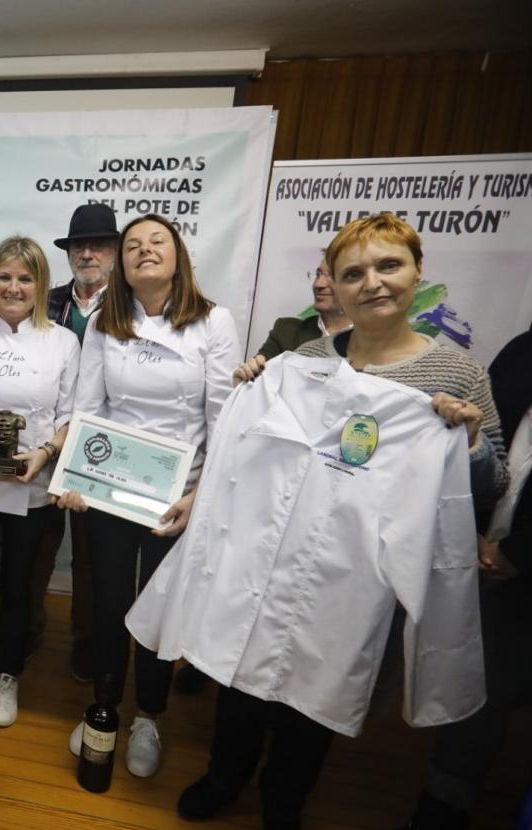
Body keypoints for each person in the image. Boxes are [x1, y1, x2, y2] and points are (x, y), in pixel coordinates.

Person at [180, 212, 508, 827]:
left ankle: (285, 801)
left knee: (318, 692)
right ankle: (224, 776)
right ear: (335, 282)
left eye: (389, 266)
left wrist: (469, 441)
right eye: (353, 273)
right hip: (274, 556)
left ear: (418, 271)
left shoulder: (457, 373)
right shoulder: (305, 359)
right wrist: (257, 383)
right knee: (243, 683)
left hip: (360, 572)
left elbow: (490, 488)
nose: (372, 283)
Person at [57, 213, 241, 778]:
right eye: (133, 245)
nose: (144, 251)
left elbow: (225, 419)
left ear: (178, 255)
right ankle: (106, 707)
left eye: (156, 242)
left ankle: (150, 716)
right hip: (113, 491)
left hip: (178, 497)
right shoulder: (108, 323)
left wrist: (201, 495)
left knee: (161, 611)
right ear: (123, 262)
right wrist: (72, 479)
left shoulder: (214, 323)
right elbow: (87, 407)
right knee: (111, 603)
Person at [174, 251, 353, 694]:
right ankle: (208, 661)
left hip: (332, 481)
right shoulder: (289, 331)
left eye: (333, 275)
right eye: (318, 273)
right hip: (271, 473)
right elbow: (254, 387)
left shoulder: (378, 350)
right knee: (238, 571)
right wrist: (250, 371)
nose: (320, 283)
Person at [0, 236, 79, 728]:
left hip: (33, 484)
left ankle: (9, 675)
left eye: (25, 278)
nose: (14, 286)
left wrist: (44, 453)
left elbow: (73, 416)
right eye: (5, 277)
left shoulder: (64, 342)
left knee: (21, 587)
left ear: (40, 285)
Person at [404, 325, 531, 829]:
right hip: (482, 546)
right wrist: (475, 535)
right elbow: (480, 446)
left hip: (520, 562)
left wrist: (519, 553)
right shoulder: (522, 349)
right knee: (477, 688)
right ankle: (442, 808)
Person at [31, 203, 120, 683]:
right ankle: (29, 624)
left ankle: (85, 638)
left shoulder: (132, 307)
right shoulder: (45, 302)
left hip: (101, 449)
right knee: (38, 545)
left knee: (91, 552)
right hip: (47, 442)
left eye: (99, 245)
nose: (88, 253)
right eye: (79, 246)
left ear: (114, 252)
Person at [255, 253, 352, 358]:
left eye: (331, 276)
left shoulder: (369, 339)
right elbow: (258, 368)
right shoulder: (286, 331)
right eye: (318, 274)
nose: (318, 284)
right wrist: (252, 369)